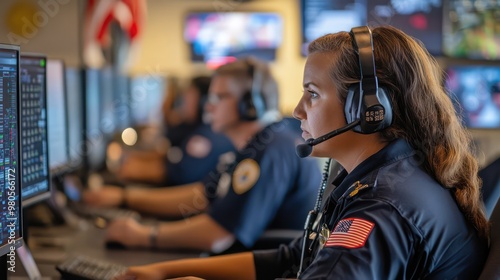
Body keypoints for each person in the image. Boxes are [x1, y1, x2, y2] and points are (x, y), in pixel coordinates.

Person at [114, 25, 489, 280]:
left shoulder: (382, 208)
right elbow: (295, 257)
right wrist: (167, 270)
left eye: (312, 93)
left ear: (366, 108)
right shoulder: (376, 177)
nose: (297, 110)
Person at [83, 57, 321, 254]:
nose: (208, 106)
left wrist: (144, 235)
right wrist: (125, 198)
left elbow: (217, 235)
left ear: (250, 105)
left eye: (220, 97)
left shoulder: (272, 151)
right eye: (210, 97)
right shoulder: (257, 144)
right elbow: (201, 194)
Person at [116, 76, 236, 186]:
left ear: (202, 102)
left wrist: (126, 194)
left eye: (190, 97)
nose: (184, 101)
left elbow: (174, 174)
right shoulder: (191, 127)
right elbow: (169, 153)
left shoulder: (204, 138)